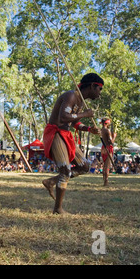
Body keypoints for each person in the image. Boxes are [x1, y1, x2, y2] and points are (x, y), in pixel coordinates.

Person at [41, 73, 103, 214]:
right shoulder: (71, 96)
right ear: (93, 85)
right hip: (56, 134)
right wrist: (85, 114)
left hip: (66, 134)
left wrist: (88, 129)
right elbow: (63, 117)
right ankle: (58, 209)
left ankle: (51, 181)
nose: (99, 94)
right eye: (99, 89)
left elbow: (73, 122)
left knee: (85, 166)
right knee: (66, 170)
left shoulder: (80, 101)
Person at [100, 118, 116, 186]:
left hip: (103, 148)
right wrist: (114, 137)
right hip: (108, 148)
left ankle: (104, 180)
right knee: (107, 166)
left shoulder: (101, 130)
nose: (109, 124)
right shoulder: (107, 130)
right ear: (106, 123)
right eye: (109, 123)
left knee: (104, 166)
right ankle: (106, 181)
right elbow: (111, 142)